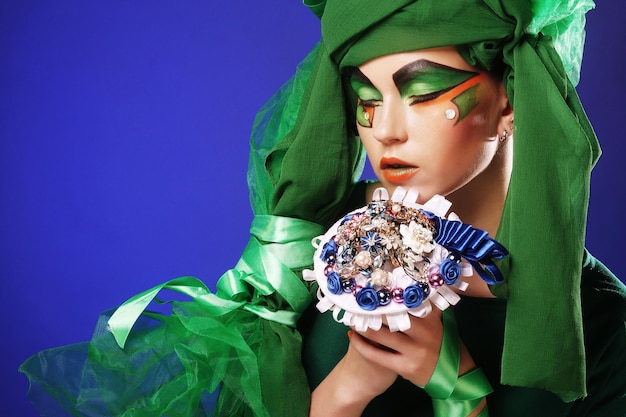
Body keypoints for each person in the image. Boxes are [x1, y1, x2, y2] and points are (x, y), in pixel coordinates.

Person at [19, 0, 626, 416]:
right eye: (365, 98)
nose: (385, 130)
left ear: (510, 100)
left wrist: (462, 390)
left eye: (422, 94)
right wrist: (342, 397)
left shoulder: (601, 323)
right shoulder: (304, 253)